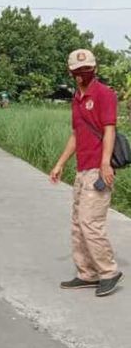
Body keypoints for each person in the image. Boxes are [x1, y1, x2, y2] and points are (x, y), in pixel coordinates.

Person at [50, 48, 123, 297]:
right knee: (77, 224)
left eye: (87, 69)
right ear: (70, 73)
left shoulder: (104, 94)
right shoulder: (76, 99)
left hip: (97, 168)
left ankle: (108, 272)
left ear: (95, 69)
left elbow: (109, 129)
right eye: (79, 71)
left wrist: (105, 163)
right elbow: (76, 135)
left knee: (91, 223)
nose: (84, 74)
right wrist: (60, 164)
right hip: (82, 169)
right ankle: (87, 273)